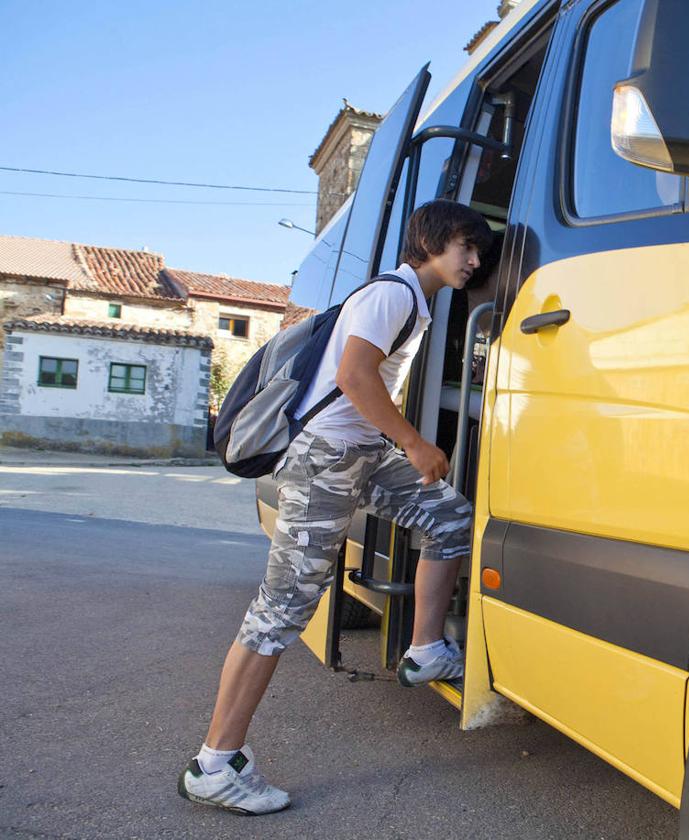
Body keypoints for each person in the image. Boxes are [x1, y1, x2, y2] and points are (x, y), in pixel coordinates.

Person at [179, 199, 492, 815]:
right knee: (280, 612)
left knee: (449, 517)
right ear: (431, 242)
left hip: (360, 456)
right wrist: (415, 441)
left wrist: (394, 448)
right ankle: (215, 764)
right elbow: (355, 376)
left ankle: (425, 649)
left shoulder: (412, 303)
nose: (475, 262)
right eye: (467, 247)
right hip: (326, 460)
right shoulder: (392, 296)